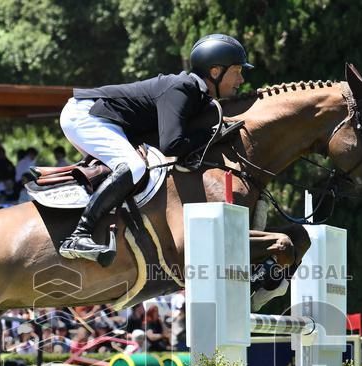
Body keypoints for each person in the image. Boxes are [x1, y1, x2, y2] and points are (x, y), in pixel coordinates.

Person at [57, 33, 251, 262]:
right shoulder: (183, 88)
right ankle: (79, 234)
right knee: (134, 166)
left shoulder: (198, 95)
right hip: (86, 115)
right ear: (215, 72)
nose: (241, 80)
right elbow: (171, 145)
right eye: (237, 71)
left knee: (138, 171)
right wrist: (211, 134)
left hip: (104, 119)